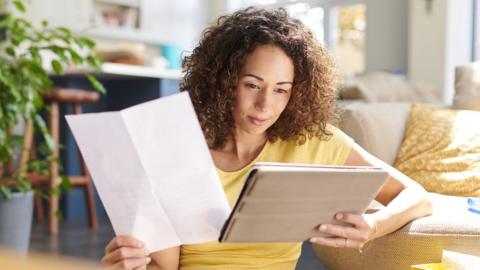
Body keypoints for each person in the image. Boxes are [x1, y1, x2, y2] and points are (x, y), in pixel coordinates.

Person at [101, 7, 432, 270]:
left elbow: (416, 196)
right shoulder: (175, 150)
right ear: (222, 82)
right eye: (252, 85)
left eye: (281, 90)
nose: (265, 105)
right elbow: (163, 266)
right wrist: (132, 266)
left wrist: (373, 226)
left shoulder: (313, 142)